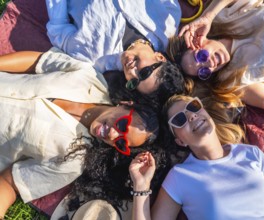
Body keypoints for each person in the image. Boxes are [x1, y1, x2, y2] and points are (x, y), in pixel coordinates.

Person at [0, 47, 159, 218]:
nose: (112, 135)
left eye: (121, 143)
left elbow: (11, 182)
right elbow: (39, 62)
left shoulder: (73, 161)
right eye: (122, 125)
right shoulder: (92, 78)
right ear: (126, 104)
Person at [129, 95, 264, 220]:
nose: (191, 115)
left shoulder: (252, 154)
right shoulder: (179, 177)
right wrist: (141, 186)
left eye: (193, 107)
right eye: (180, 119)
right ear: (180, 141)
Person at [45, 0, 188, 100]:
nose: (132, 71)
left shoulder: (93, 55)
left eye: (133, 82)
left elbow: (58, 28)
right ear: (160, 58)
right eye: (144, 73)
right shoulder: (168, 22)